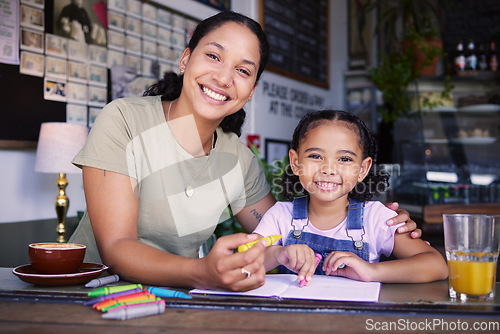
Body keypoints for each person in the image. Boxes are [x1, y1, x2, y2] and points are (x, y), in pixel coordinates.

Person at [69, 11, 420, 292]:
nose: (224, 78)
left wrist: (382, 221)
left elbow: (285, 226)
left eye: (242, 70)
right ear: (185, 59)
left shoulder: (238, 159)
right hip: (90, 292)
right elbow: (117, 247)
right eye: (213, 56)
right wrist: (202, 272)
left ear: (250, 90)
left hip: (178, 299)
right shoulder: (125, 120)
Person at [253, 110, 449, 285]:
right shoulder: (280, 215)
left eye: (344, 159)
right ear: (295, 162)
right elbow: (245, 263)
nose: (328, 169)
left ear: (362, 169)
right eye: (315, 156)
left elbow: (436, 265)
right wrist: (279, 254)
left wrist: (371, 271)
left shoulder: (376, 218)